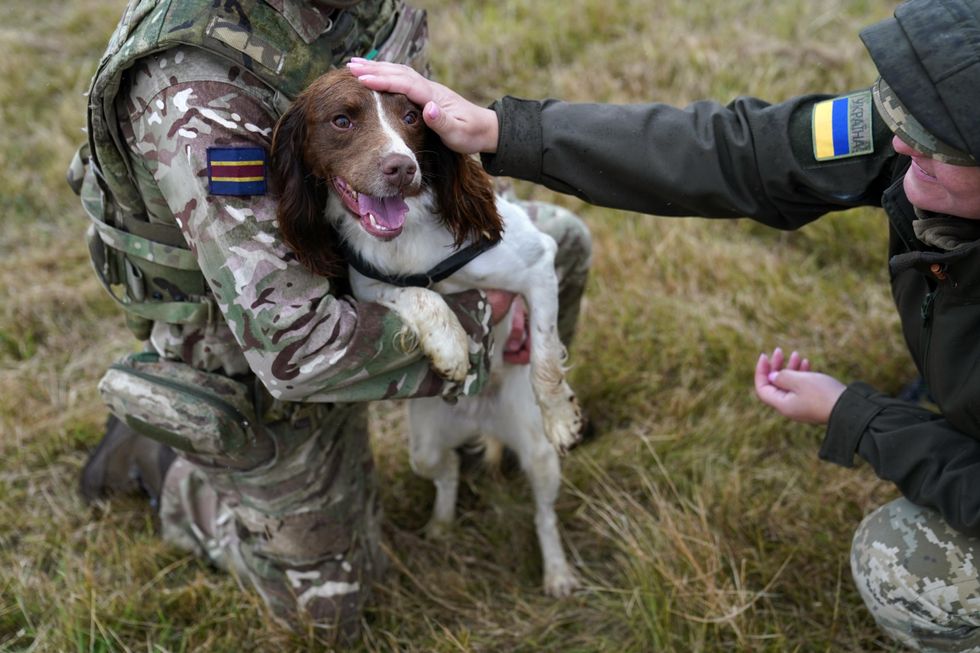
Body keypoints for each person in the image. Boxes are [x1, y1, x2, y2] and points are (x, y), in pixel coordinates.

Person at [348, 0, 980, 649]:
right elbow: (741, 151)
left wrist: (858, 416)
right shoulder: (915, 135)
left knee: (904, 563)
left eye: (936, 141)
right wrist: (500, 131)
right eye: (903, 117)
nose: (902, 143)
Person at [68, 0, 591, 641]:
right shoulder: (192, 75)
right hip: (255, 337)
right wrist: (485, 316)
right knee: (328, 608)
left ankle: (520, 423)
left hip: (365, 250)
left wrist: (489, 250)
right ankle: (170, 463)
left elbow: (403, 142)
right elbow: (296, 349)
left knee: (557, 241)